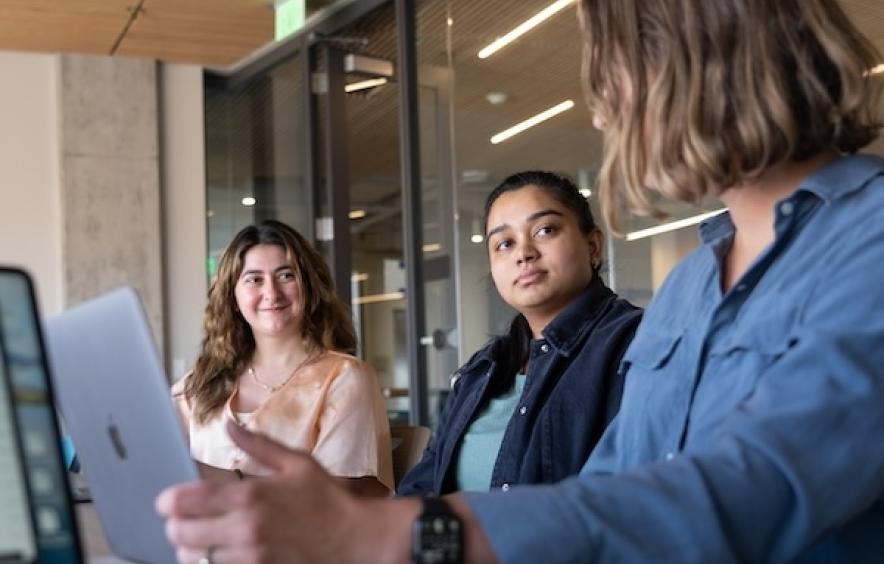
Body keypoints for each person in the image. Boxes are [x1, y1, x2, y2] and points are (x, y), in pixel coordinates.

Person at [157, 0, 884, 562]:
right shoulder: (691, 286)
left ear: (699, 55)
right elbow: (605, 494)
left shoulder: (869, 241)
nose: (603, 107)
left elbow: (747, 491)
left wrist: (407, 535)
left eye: (612, 70)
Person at [398, 170, 641, 496]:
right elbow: (422, 486)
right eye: (504, 243)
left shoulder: (636, 344)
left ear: (593, 245)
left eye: (545, 230)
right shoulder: (482, 370)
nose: (523, 253)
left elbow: (626, 497)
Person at [171, 219, 393, 496]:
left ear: (310, 287)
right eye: (254, 279)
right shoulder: (205, 378)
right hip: (199, 535)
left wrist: (222, 480)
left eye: (286, 275)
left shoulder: (345, 377)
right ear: (233, 297)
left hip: (299, 539)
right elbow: (153, 448)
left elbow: (338, 494)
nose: (271, 293)